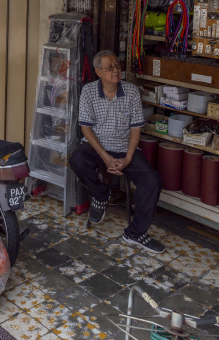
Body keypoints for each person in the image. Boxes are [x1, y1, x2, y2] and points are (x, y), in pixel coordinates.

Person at [69, 50, 164, 254]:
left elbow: (136, 128)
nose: (116, 70)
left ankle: (135, 233)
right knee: (77, 159)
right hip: (98, 146)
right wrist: (106, 158)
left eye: (117, 66)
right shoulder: (89, 91)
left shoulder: (131, 91)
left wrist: (128, 158)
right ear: (98, 72)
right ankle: (101, 194)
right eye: (110, 67)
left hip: (124, 147)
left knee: (152, 180)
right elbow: (86, 128)